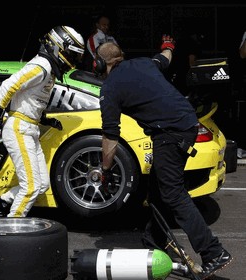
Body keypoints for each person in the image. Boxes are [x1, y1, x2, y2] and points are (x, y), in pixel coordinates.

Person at [96, 37, 233, 279]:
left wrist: (105, 170)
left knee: (173, 194)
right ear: (121, 56)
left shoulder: (110, 88)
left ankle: (214, 252)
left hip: (170, 134)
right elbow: (165, 58)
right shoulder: (145, 63)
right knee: (157, 189)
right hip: (187, 124)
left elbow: (110, 137)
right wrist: (168, 46)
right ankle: (155, 240)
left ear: (99, 64)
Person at [0, 26, 85, 218]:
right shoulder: (42, 66)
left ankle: (0, 203)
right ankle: (13, 229)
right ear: (59, 47)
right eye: (72, 54)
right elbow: (9, 85)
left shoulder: (48, 69)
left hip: (30, 127)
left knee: (41, 186)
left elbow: (29, 99)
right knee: (30, 188)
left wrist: (44, 118)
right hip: (19, 128)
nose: (73, 60)